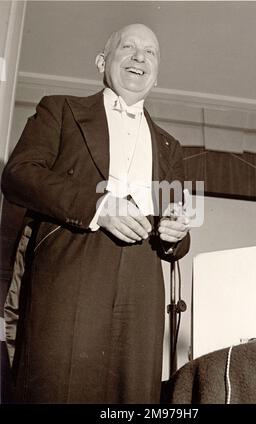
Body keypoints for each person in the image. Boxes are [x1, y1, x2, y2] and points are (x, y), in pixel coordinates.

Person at [1, 23, 190, 404]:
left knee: (132, 394)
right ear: (102, 62)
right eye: (129, 47)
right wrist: (98, 207)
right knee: (58, 387)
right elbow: (18, 175)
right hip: (73, 265)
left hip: (142, 284)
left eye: (150, 52)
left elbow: (178, 227)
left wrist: (176, 233)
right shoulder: (60, 109)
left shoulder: (171, 146)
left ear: (156, 76)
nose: (140, 56)